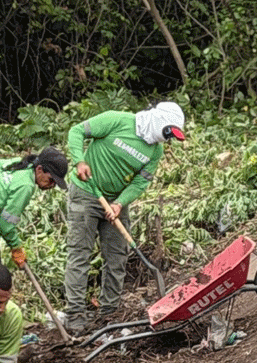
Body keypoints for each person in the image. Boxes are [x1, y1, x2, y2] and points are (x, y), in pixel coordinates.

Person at [61, 101, 186, 333]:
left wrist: (119, 203)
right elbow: (76, 131)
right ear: (158, 122)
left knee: (117, 256)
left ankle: (109, 313)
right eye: (168, 133)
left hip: (116, 202)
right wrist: (79, 160)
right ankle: (75, 314)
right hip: (86, 193)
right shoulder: (116, 120)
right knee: (80, 253)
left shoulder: (155, 151)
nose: (167, 140)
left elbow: (141, 182)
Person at [0, 147, 69, 271]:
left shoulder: (18, 163)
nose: (52, 185)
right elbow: (6, 223)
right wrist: (16, 247)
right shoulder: (26, 186)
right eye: (51, 180)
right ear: (39, 169)